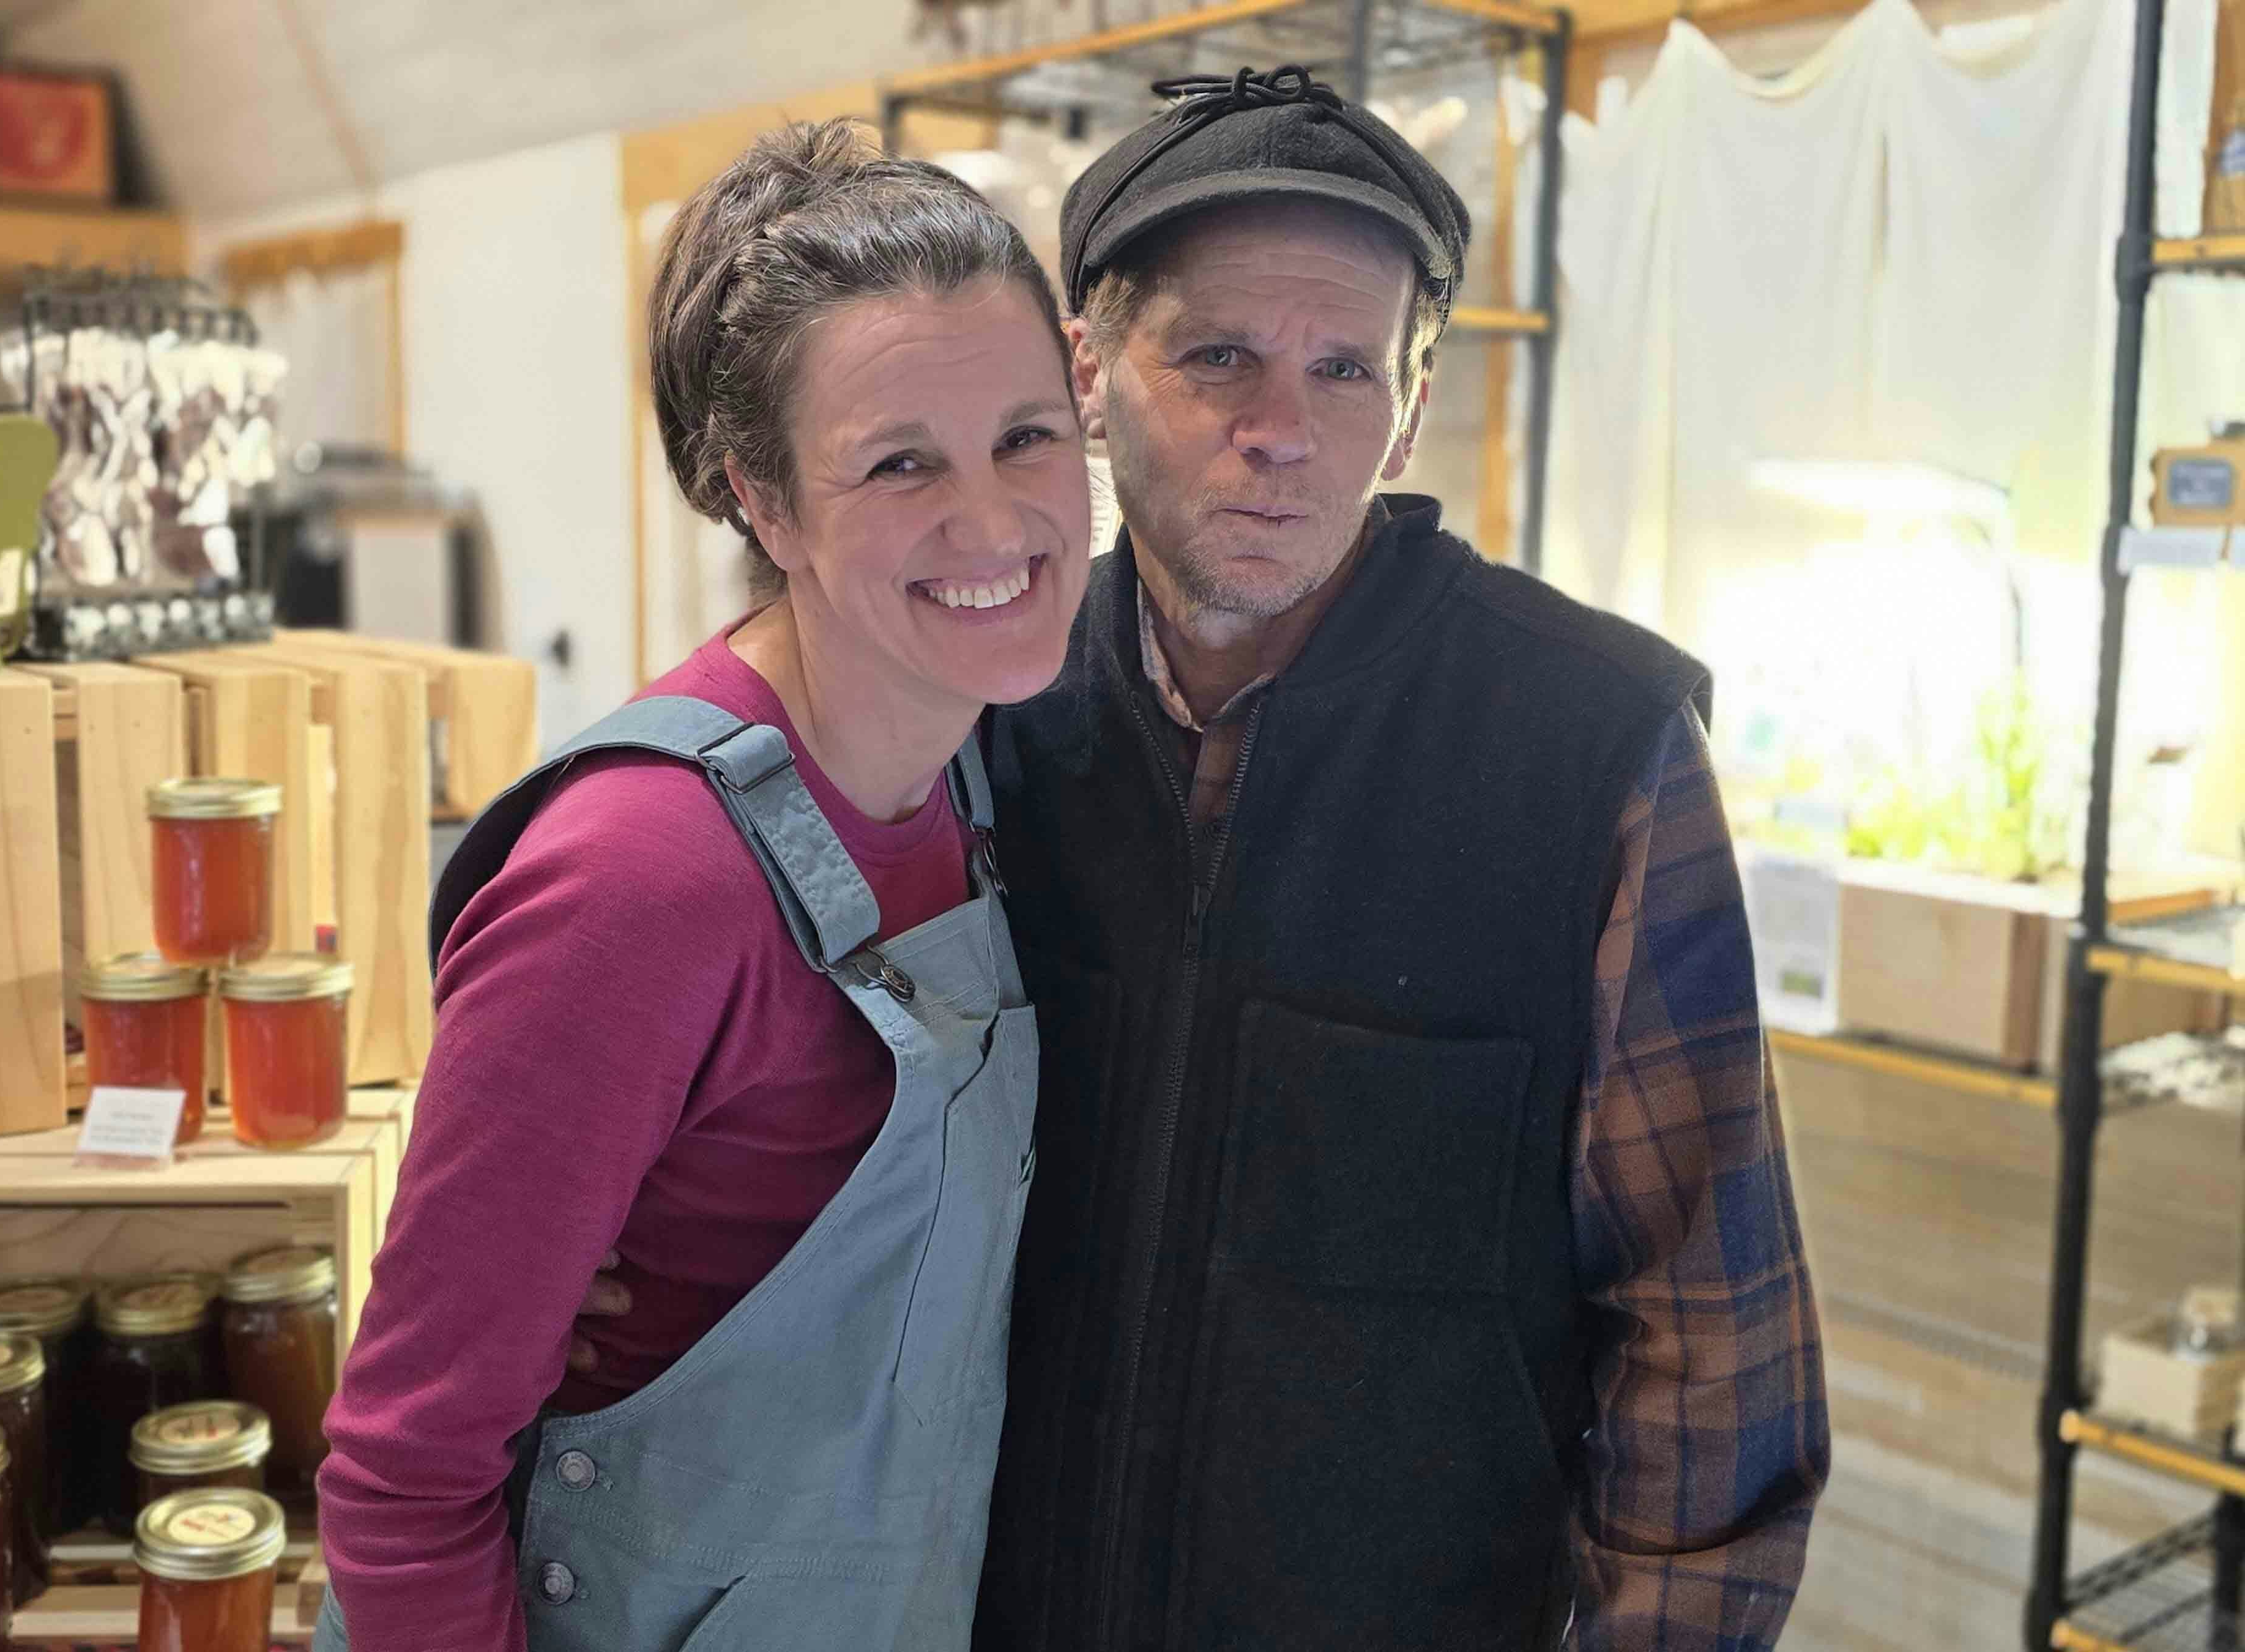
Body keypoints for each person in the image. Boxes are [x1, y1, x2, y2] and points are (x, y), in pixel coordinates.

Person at [970, 67, 1831, 1648]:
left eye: (1344, 369)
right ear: (1089, 372)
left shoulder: (1594, 750)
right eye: (1214, 355)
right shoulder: (985, 714)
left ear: (1413, 400)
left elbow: (1710, 1347)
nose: (1278, 431)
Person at [313, 121, 1090, 1652]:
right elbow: (405, 1476)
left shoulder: (978, 770)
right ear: (764, 503)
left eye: (1025, 435)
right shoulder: (641, 878)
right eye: (896, 464)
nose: (994, 520)